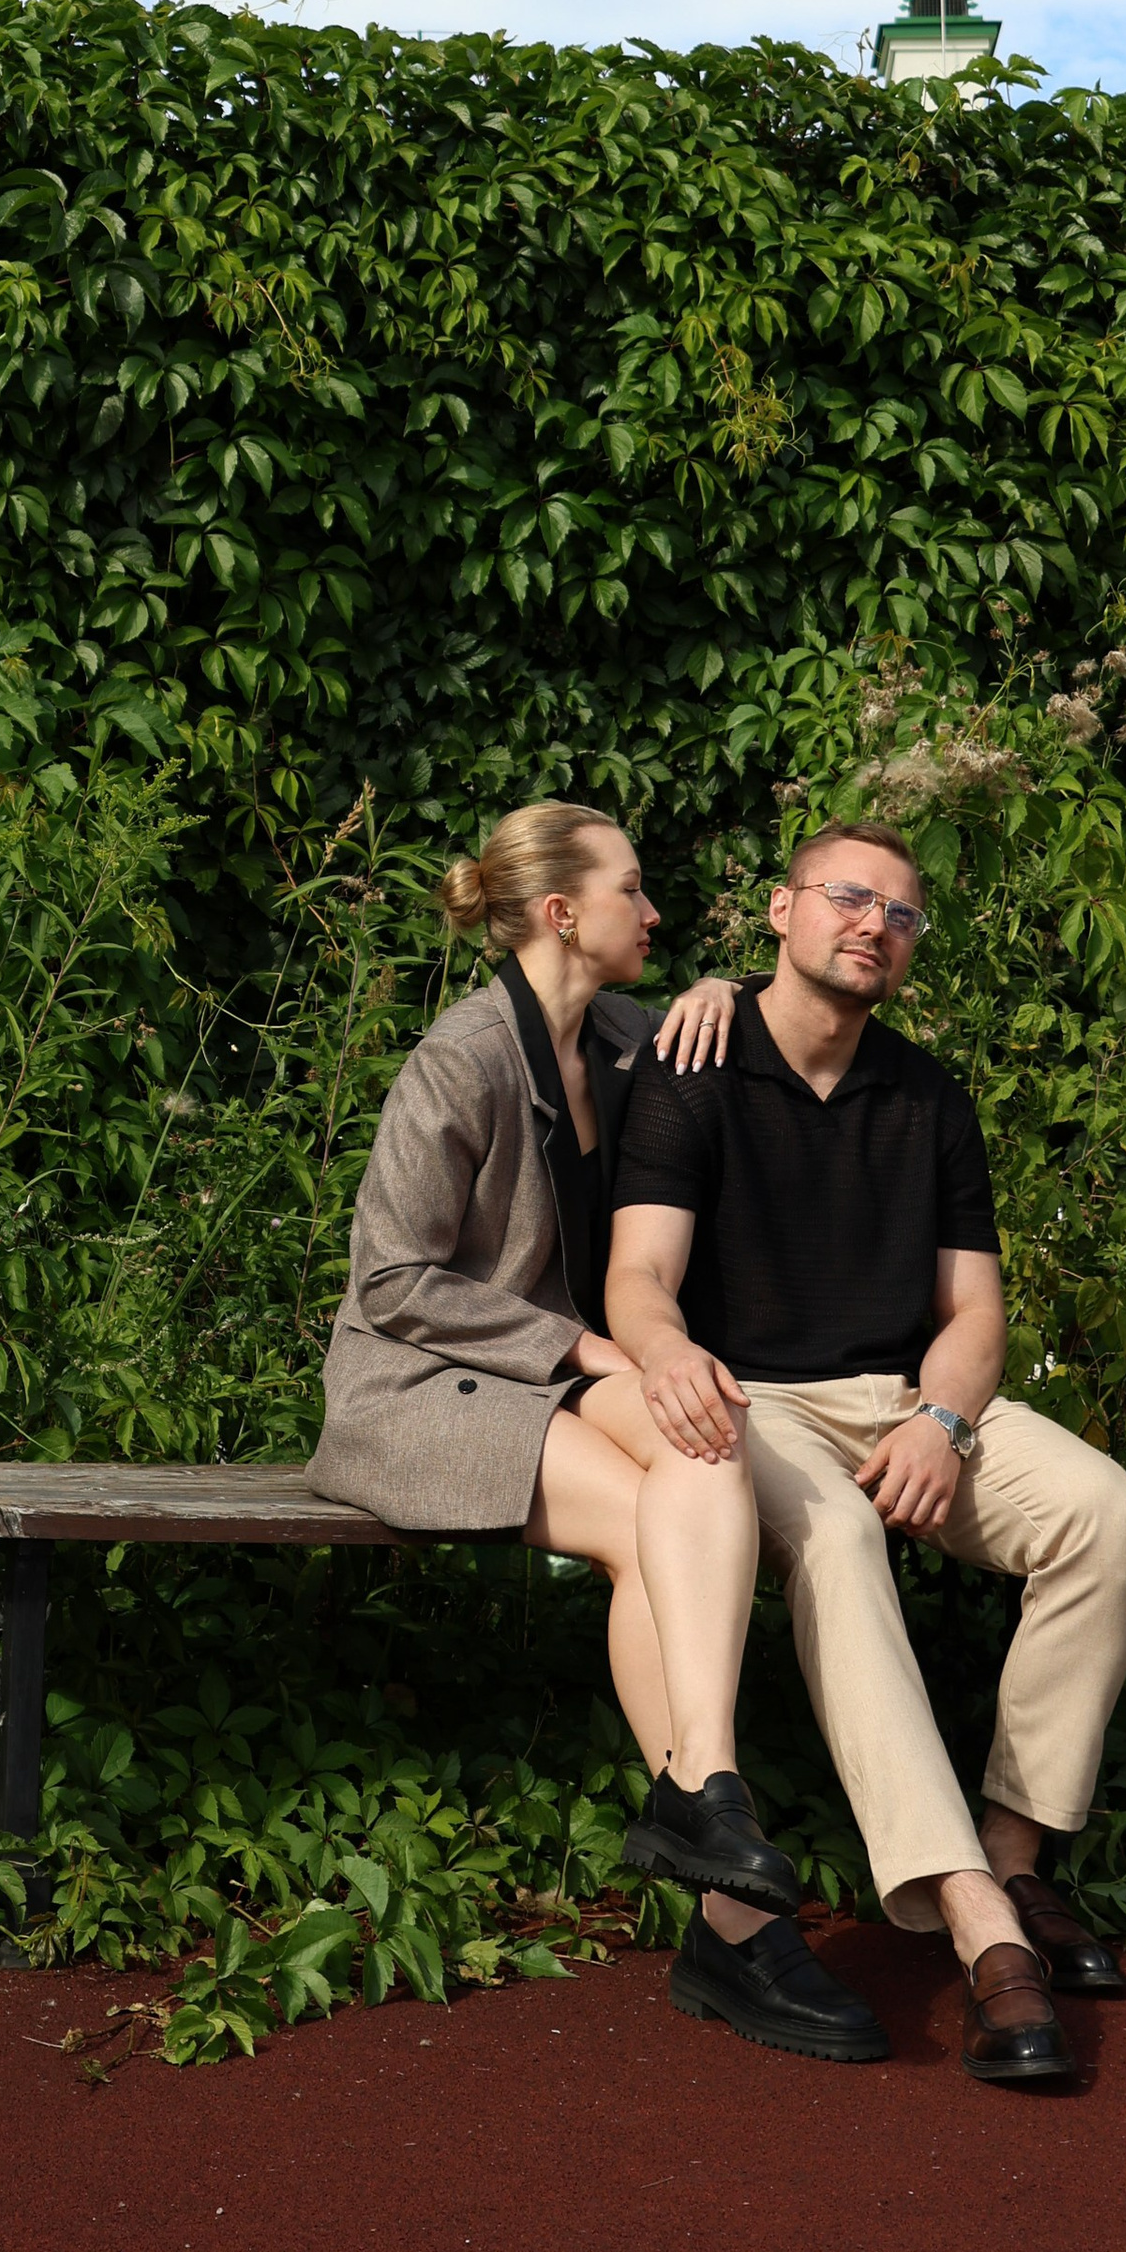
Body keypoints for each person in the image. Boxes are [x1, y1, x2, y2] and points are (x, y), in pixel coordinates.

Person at [605, 820, 1126, 2085]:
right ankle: (978, 1925)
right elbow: (638, 1276)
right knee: (843, 1544)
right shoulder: (690, 1062)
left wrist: (944, 1422)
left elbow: (974, 1313)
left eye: (900, 914)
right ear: (780, 910)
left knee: (1104, 1516)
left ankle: (1015, 1855)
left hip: (907, 1403)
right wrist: (667, 1352)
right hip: (760, 1406)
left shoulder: (929, 1095)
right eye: (847, 899)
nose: (873, 926)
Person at [310, 798, 821, 1977]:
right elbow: (391, 1278)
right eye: (631, 891)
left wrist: (726, 990)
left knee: (702, 1442)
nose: (653, 912)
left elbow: (771, 1041)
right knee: (661, 1517)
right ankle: (730, 1892)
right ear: (559, 912)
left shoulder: (625, 1035)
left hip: (539, 1384)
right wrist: (591, 1350)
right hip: (418, 1388)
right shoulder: (463, 1057)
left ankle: (702, 1811)